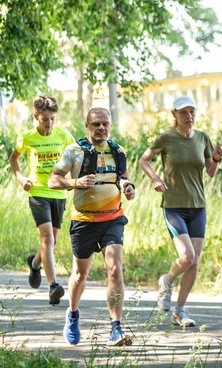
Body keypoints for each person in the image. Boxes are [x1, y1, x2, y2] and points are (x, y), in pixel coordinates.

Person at [48, 107, 136, 347]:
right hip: (84, 221)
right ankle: (73, 315)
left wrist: (129, 187)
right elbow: (53, 180)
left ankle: (116, 328)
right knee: (79, 275)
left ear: (110, 125)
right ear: (87, 125)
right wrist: (75, 182)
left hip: (113, 218)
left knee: (115, 268)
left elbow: (122, 177)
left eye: (105, 124)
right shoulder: (74, 151)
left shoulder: (118, 151)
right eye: (96, 124)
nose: (101, 128)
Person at [139, 95, 222, 327]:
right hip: (174, 206)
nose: (189, 116)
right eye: (184, 112)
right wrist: (156, 179)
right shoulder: (166, 138)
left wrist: (216, 157)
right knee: (186, 257)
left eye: (192, 112)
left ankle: (179, 311)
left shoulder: (203, 138)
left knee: (194, 262)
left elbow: (210, 171)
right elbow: (143, 160)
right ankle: (166, 281)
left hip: (198, 207)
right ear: (174, 115)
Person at [9, 95, 76, 305]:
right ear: (36, 117)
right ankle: (53, 286)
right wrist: (21, 179)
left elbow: (77, 157)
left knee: (52, 241)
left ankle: (35, 263)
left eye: (53, 119)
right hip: (38, 192)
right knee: (47, 237)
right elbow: (14, 159)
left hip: (59, 192)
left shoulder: (64, 136)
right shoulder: (27, 138)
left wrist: (75, 180)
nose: (49, 123)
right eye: (45, 119)